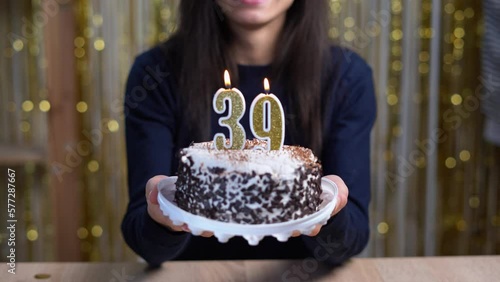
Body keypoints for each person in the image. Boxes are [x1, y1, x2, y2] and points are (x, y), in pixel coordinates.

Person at [122, 0, 376, 267]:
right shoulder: (155, 75)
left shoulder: (346, 77)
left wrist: (328, 213)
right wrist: (162, 218)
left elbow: (353, 236)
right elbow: (142, 238)